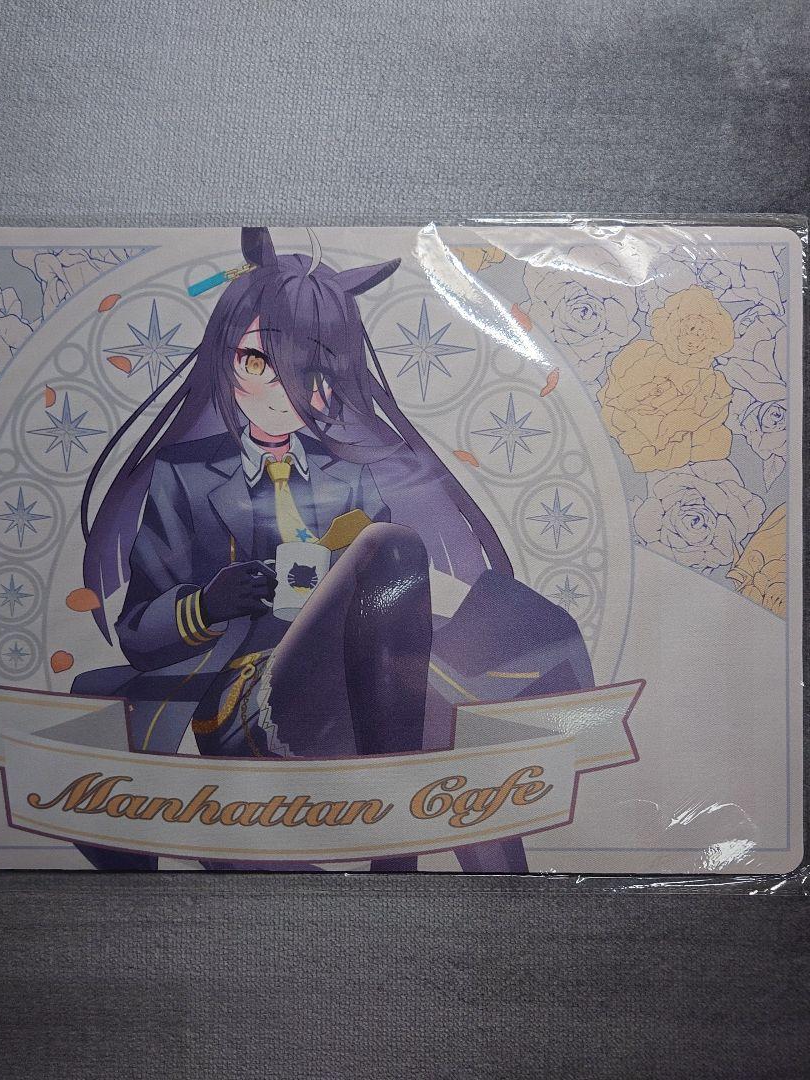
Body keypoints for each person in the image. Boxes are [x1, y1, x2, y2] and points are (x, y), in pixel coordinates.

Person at [72, 227, 593, 871]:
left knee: (467, 714)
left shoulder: (348, 476)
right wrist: (207, 604)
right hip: (244, 705)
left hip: (363, 701)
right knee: (391, 551)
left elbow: (392, 610)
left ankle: (501, 903)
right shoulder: (185, 477)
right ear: (225, 362)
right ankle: (395, 853)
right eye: (257, 362)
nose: (283, 391)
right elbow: (137, 634)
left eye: (312, 372)